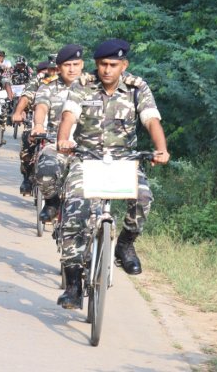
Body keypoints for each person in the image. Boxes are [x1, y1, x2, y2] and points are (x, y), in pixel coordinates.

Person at [55, 39, 170, 309]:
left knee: (143, 198)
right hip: (86, 158)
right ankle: (73, 283)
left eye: (113, 65)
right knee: (75, 212)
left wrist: (161, 149)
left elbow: (151, 118)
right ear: (96, 65)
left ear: (124, 65)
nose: (107, 70)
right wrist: (64, 140)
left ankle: (125, 246)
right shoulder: (83, 84)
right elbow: (69, 116)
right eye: (103, 64)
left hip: (124, 160)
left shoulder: (136, 87)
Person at [13, 44, 85, 223]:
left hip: (86, 143)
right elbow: (41, 106)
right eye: (66, 65)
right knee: (44, 171)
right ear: (58, 68)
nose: (71, 69)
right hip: (55, 139)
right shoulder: (47, 85)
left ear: (82, 65)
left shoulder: (92, 85)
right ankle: (51, 201)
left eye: (75, 64)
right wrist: (38, 125)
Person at [11, 57, 57, 194]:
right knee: (27, 139)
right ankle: (27, 178)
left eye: (58, 68)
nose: (55, 72)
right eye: (52, 69)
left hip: (61, 122)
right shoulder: (41, 79)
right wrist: (18, 112)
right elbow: (27, 96)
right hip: (36, 118)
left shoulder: (76, 81)